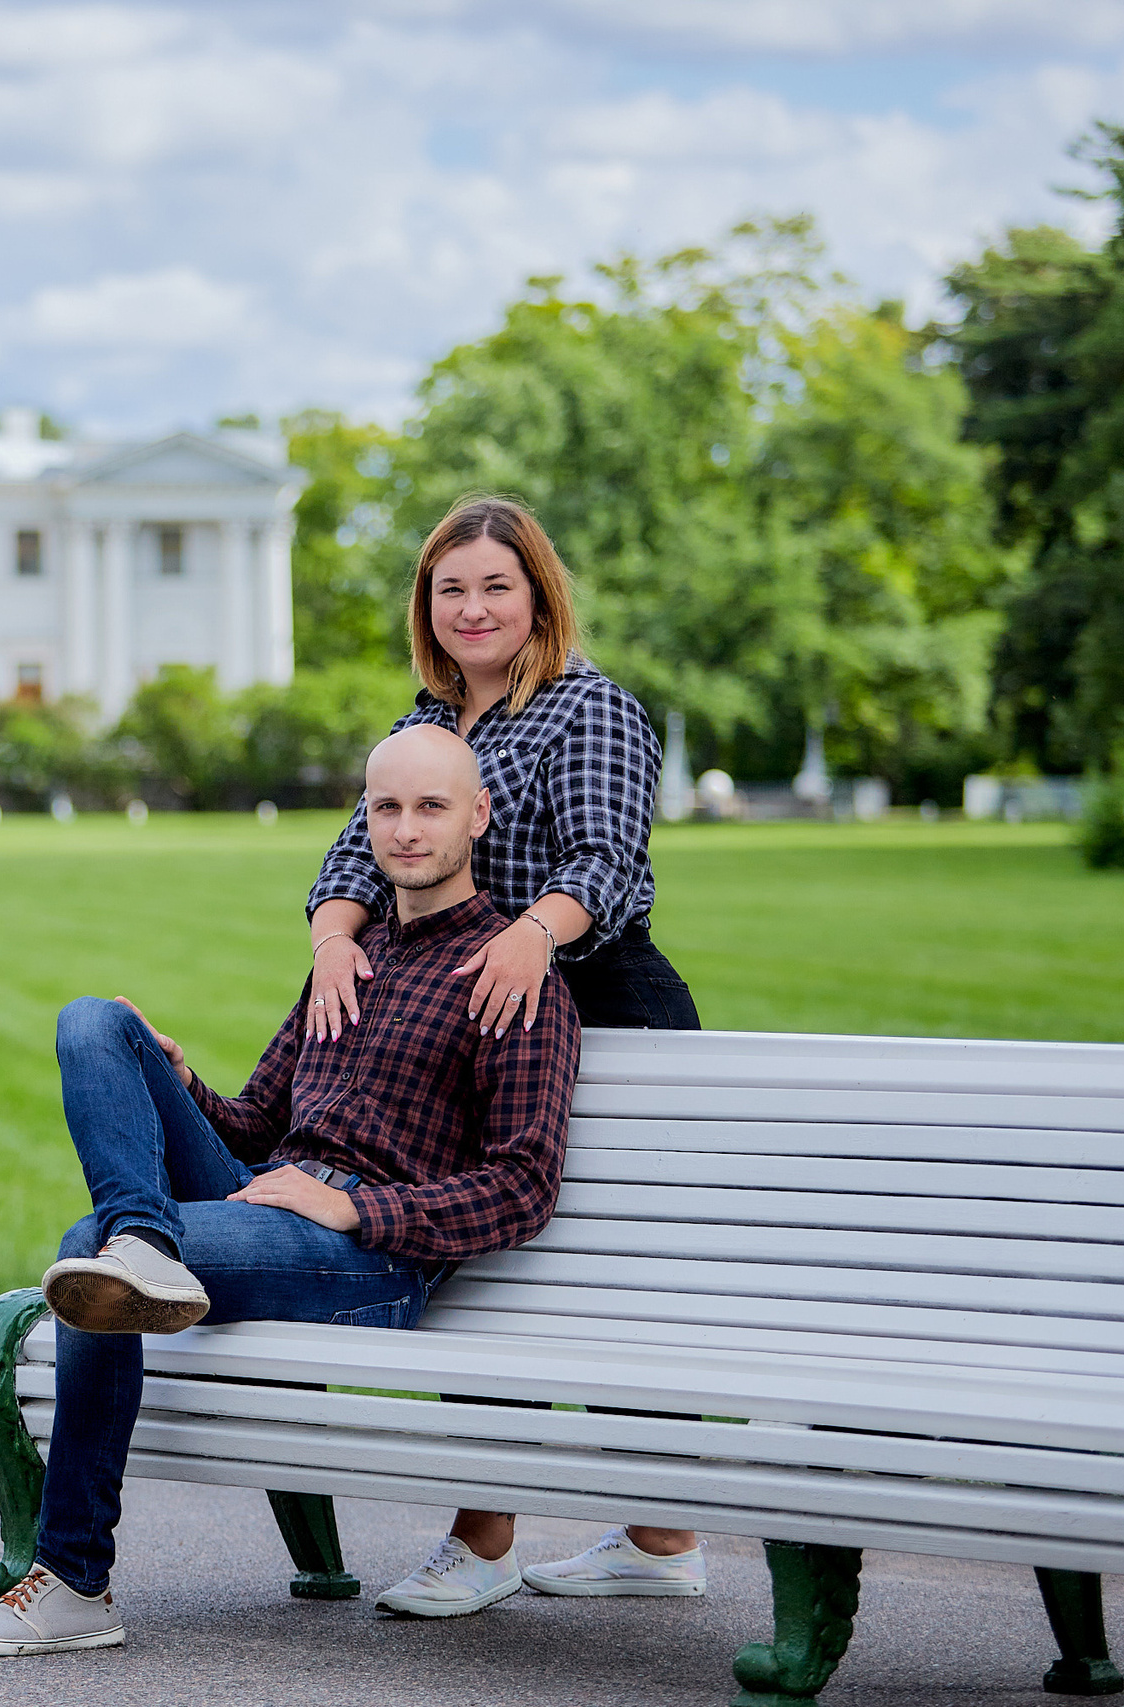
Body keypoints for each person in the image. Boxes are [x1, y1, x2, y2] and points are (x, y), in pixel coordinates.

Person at [0, 724, 579, 1657]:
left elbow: (523, 1185)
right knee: (97, 1022)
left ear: (477, 815)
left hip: (372, 1257)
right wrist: (180, 1078)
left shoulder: (512, 977)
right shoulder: (348, 959)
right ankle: (142, 1246)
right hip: (268, 1202)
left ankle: (74, 1578)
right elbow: (247, 1124)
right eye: (386, 807)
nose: (405, 828)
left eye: (431, 806)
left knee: (94, 1247)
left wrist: (357, 1207)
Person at [303, 493, 705, 1618]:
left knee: (613, 1285)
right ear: (427, 608)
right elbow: (353, 847)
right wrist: (335, 937)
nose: (473, 608)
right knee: (492, 1274)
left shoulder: (591, 710)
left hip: (603, 1012)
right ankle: (523, 1535)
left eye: (496, 586)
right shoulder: (431, 715)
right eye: (451, 588)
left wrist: (534, 929)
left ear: (538, 597)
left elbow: (607, 859)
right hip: (473, 1033)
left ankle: (639, 1536)